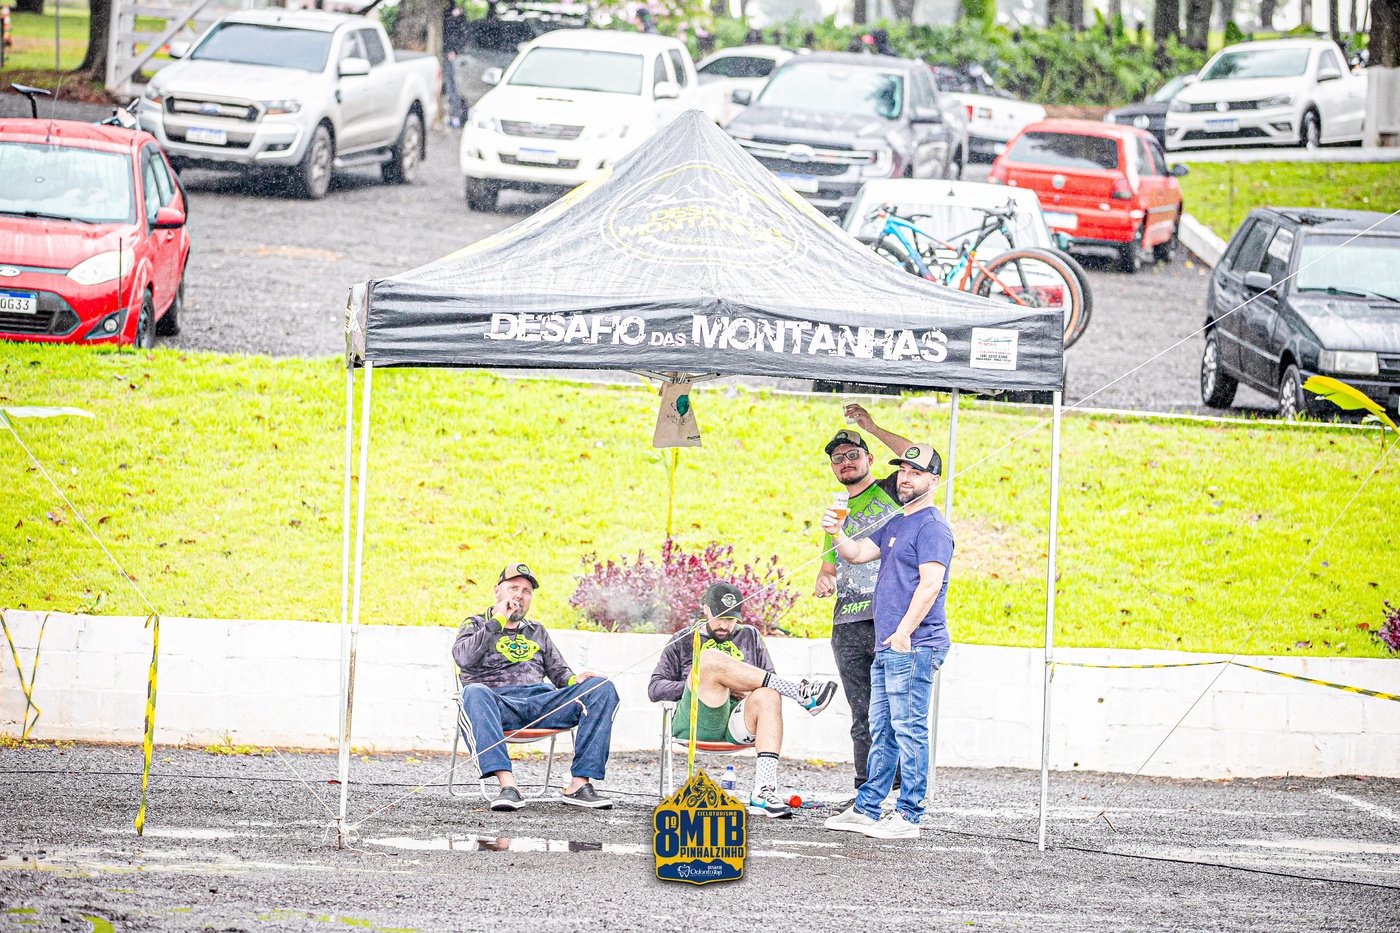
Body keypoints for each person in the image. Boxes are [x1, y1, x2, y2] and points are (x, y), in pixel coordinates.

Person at [820, 443, 954, 840]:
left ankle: (909, 816)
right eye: (903, 471)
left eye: (916, 472)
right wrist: (836, 532)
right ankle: (867, 808)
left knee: (909, 729)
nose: (906, 478)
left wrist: (903, 634)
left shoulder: (932, 527)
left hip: (914, 644)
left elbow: (930, 585)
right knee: (882, 728)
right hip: (889, 644)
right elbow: (857, 553)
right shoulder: (897, 521)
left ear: (934, 480)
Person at [648, 582, 839, 820]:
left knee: (769, 694)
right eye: (720, 617)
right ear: (705, 610)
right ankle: (800, 692)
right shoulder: (684, 638)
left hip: (737, 724)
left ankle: (764, 790)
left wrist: (743, 688)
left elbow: (769, 682)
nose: (725, 625)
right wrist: (699, 683)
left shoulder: (750, 635)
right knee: (709, 659)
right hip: (698, 721)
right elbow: (655, 689)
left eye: (731, 619)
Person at [453, 562, 619, 811]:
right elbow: (463, 658)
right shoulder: (476, 624)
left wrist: (575, 680)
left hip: (542, 704)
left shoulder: (536, 631)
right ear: (497, 590)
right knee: (473, 693)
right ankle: (508, 787)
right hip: (499, 705)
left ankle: (579, 784)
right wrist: (498, 620)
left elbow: (560, 673)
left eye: (526, 591)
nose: (519, 595)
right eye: (513, 588)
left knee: (601, 687)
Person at [813, 407, 913, 807]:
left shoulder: (891, 490)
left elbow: (916, 456)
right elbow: (828, 568)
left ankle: (899, 795)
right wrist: (823, 579)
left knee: (896, 709)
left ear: (869, 458)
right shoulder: (836, 512)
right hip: (847, 624)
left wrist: (870, 427)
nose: (845, 462)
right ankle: (865, 792)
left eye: (853, 454)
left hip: (888, 617)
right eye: (837, 458)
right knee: (862, 713)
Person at [441, 3, 468, 129]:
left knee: (452, 86)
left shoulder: (457, 16)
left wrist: (454, 50)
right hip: (446, 52)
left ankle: (455, 117)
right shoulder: (446, 12)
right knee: (449, 86)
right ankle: (452, 117)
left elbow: (462, 34)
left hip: (451, 54)